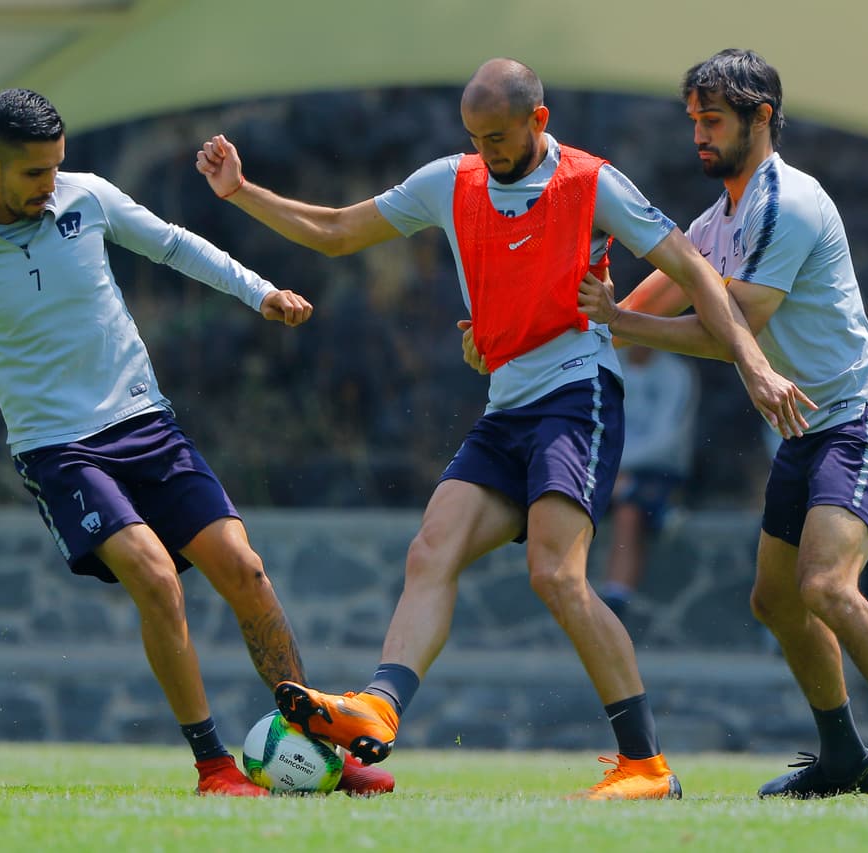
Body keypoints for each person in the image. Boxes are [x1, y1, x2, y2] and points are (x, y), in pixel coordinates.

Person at [196, 57, 808, 800]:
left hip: (577, 394)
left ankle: (646, 765)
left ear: (538, 121)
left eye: (498, 137)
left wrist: (752, 364)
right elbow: (335, 231)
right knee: (432, 546)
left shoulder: (591, 183)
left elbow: (693, 268)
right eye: (475, 137)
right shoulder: (450, 181)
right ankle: (378, 709)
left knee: (554, 571)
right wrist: (241, 192)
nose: (486, 152)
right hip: (507, 406)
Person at [0, 88, 392, 798]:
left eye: (57, 168)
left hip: (143, 421)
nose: (51, 185)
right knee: (154, 576)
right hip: (58, 449)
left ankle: (316, 747)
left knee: (244, 568)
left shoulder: (86, 197)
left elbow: (172, 244)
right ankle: (214, 766)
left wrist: (260, 291)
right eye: (35, 174)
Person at [575, 49, 868, 801]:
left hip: (862, 415)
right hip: (807, 427)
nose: (699, 134)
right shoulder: (719, 213)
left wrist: (618, 318)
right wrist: (575, 326)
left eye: (713, 119)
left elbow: (737, 328)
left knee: (825, 583)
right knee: (775, 598)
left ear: (762, 117)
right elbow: (658, 295)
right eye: (693, 120)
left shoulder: (788, 202)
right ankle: (842, 755)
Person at [597, 345, 698, 619]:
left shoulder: (676, 373)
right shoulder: (607, 364)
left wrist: (618, 468)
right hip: (608, 466)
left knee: (630, 510)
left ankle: (615, 599)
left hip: (657, 469)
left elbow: (667, 439)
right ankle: (660, 512)